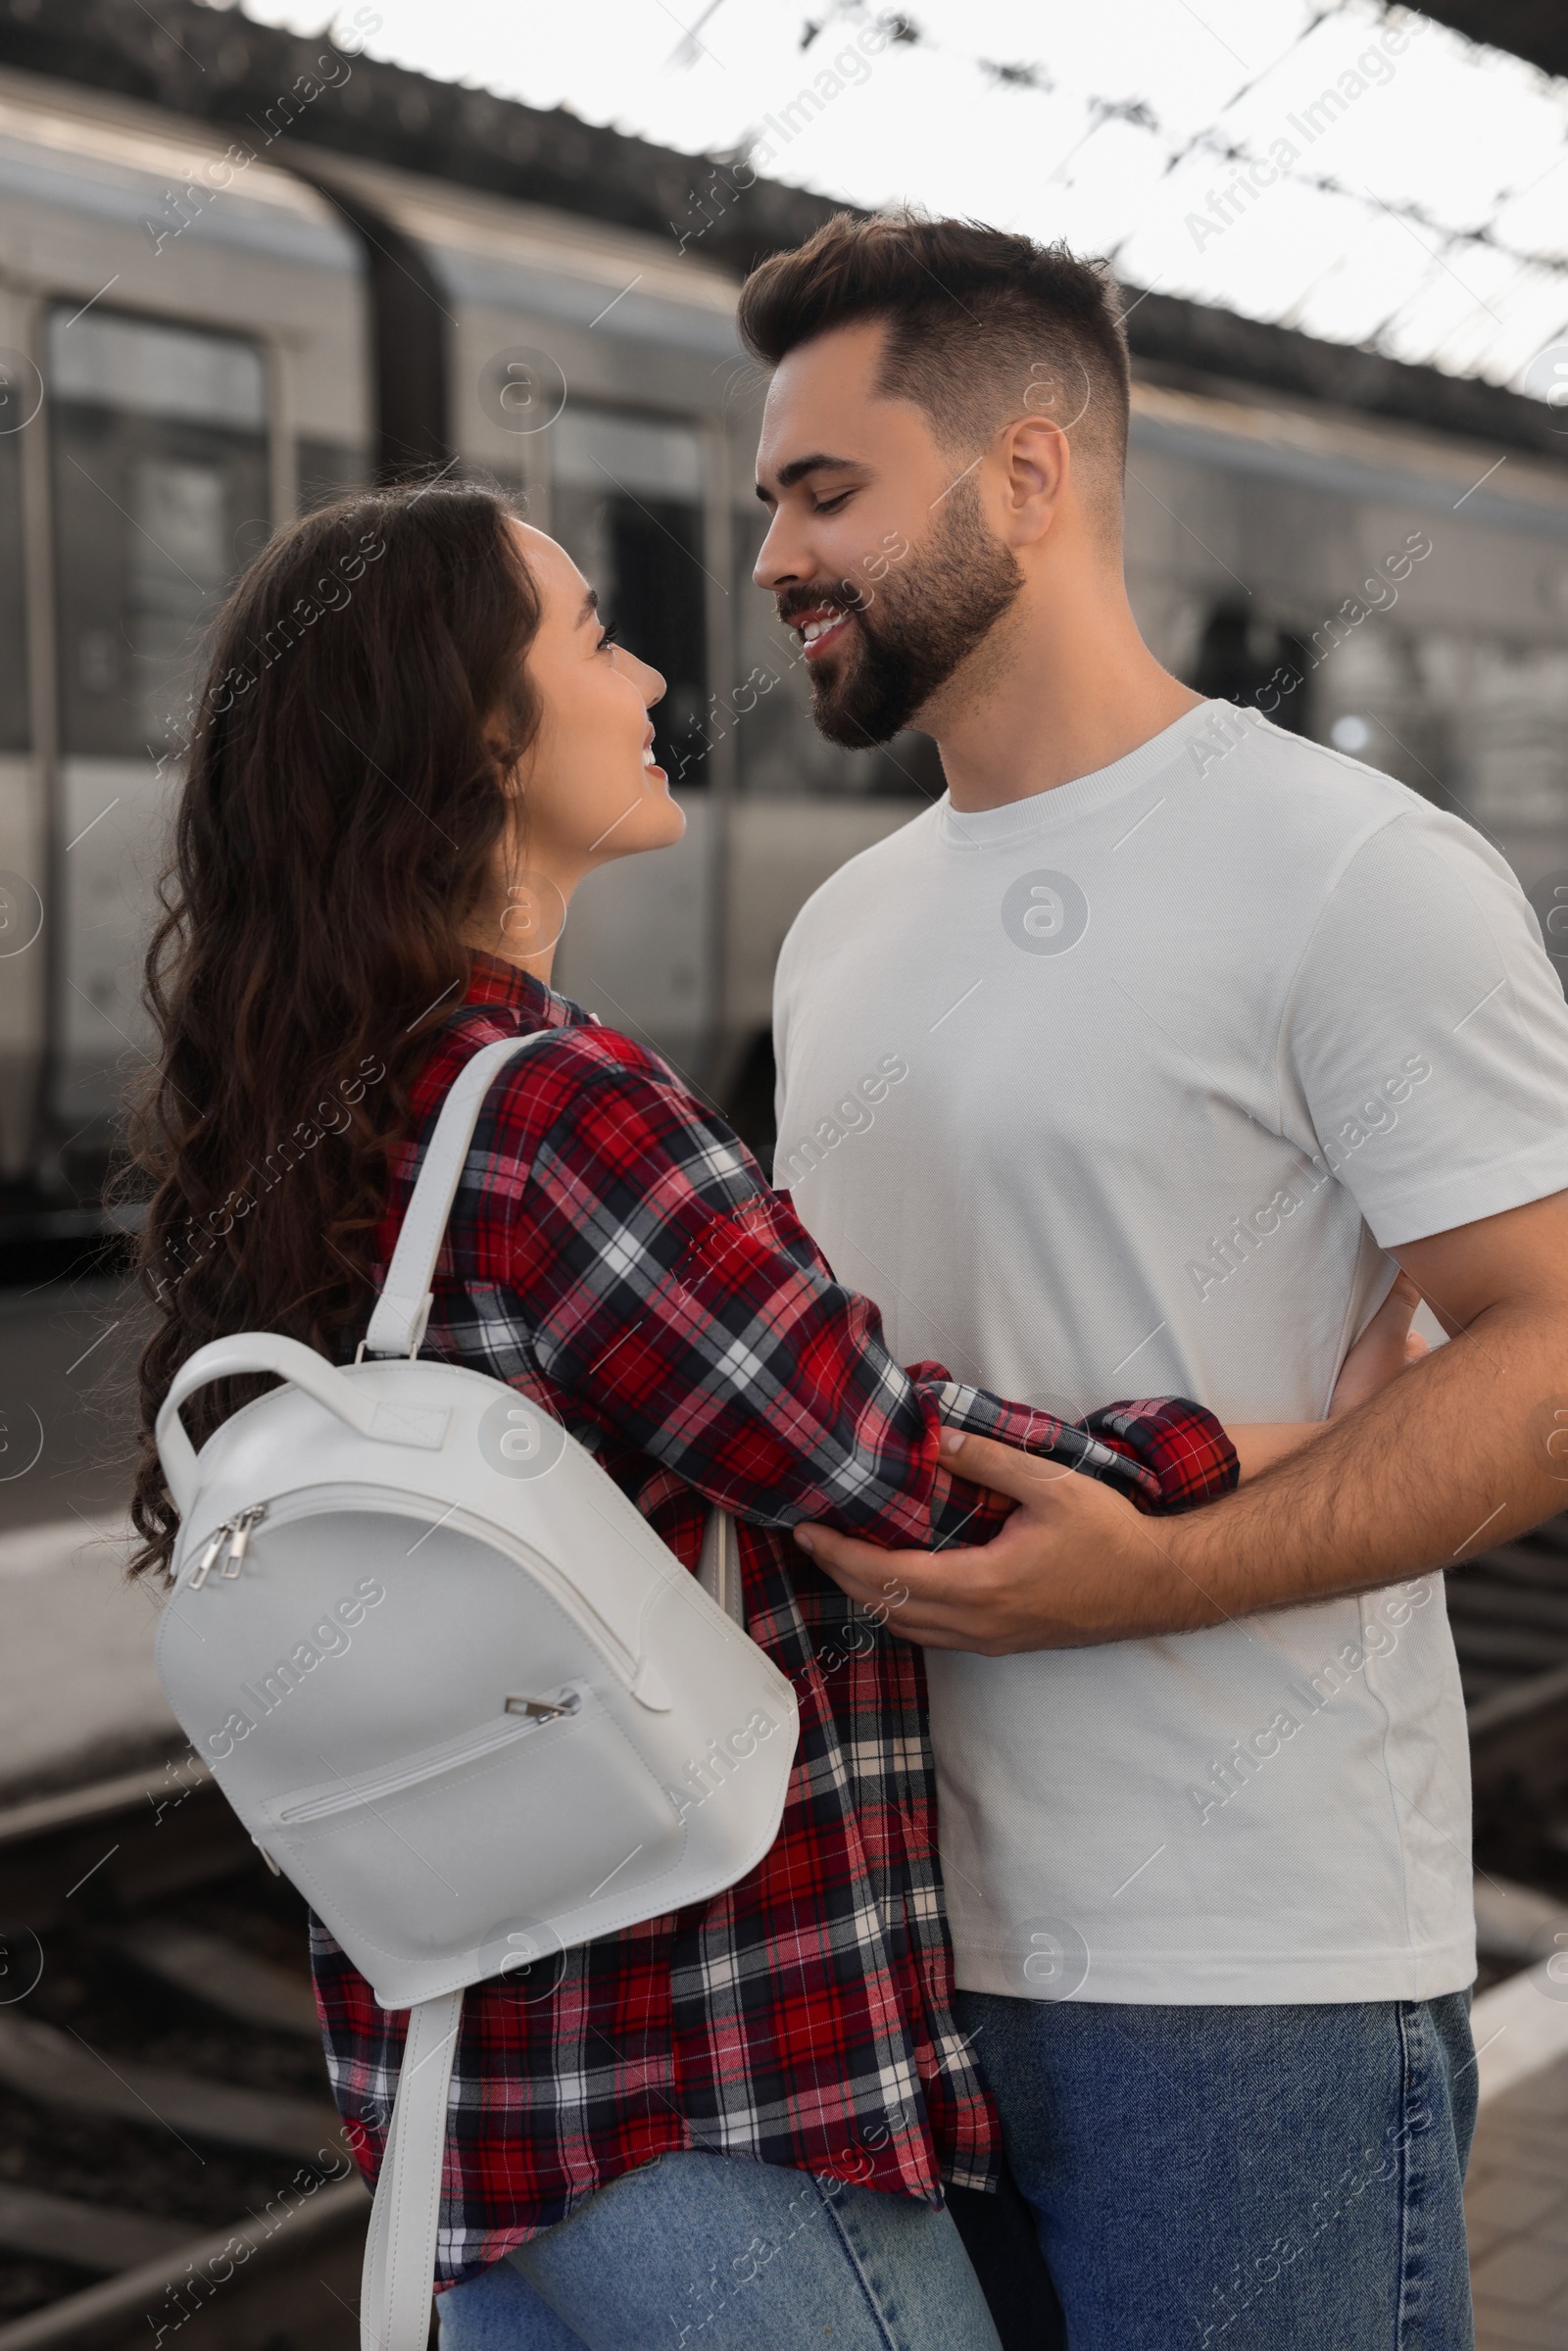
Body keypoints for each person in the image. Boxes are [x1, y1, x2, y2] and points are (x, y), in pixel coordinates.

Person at [123, 482, 1411, 2350]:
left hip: (471, 2097)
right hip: (696, 2084)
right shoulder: (553, 1105)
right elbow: (895, 1471)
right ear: (479, 731)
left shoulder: (330, 1097)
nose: (651, 669)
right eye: (588, 635)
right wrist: (1290, 1445)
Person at [744, 209, 1568, 2351]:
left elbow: (1551, 1350)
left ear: (1026, 475)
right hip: (875, 1960)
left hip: (1242, 1991)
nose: (770, 560)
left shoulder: (1350, 876)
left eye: (822, 490)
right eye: (766, 503)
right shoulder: (839, 933)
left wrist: (1145, 1579)